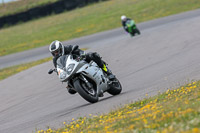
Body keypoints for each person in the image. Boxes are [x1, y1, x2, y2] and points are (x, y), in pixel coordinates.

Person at [49, 40, 114, 94]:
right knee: (70, 90)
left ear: (61, 48)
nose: (56, 54)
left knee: (93, 55)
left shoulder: (68, 48)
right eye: (54, 53)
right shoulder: (55, 59)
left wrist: (82, 54)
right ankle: (83, 87)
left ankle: (107, 71)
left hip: (80, 61)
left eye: (57, 52)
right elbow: (58, 68)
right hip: (70, 70)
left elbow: (79, 51)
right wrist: (58, 72)